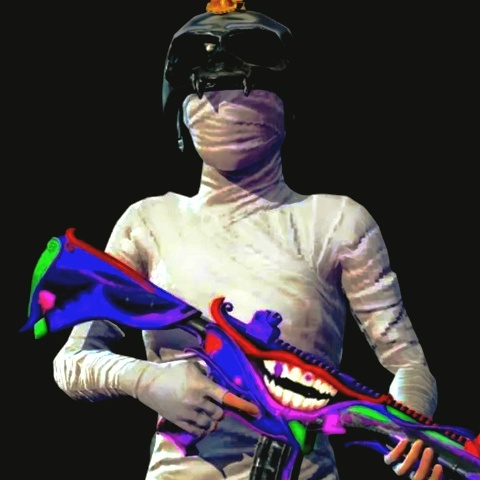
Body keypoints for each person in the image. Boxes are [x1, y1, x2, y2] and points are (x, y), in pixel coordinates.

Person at [52, 3, 443, 479]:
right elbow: (72, 361)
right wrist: (146, 379)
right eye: (208, 90)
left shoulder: (337, 222)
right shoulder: (148, 223)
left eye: (250, 87)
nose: (226, 101)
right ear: (181, 109)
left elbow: (408, 366)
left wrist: (409, 425)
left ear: (288, 105)